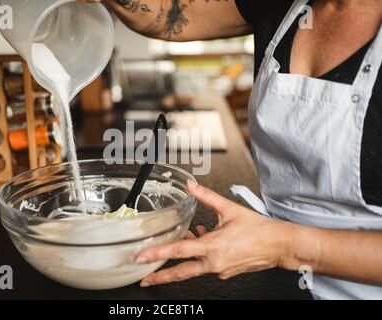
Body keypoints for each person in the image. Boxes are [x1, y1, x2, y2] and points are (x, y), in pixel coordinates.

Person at [78, 0, 382, 299]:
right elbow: (168, 13)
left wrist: (283, 245)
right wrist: (269, 244)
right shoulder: (283, 6)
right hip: (278, 278)